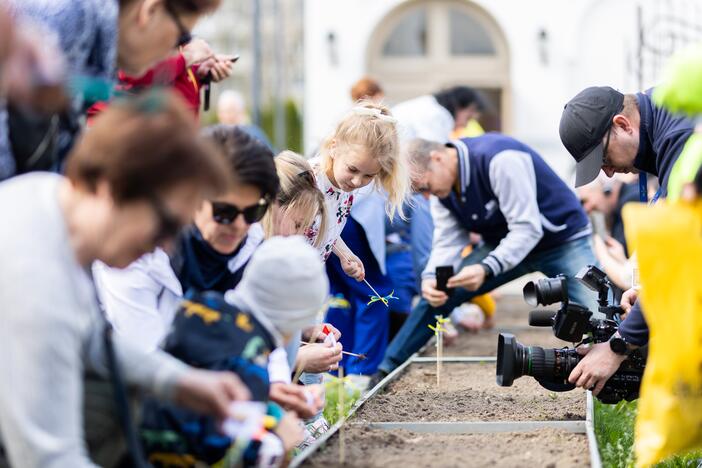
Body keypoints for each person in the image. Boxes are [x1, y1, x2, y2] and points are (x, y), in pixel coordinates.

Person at [0, 91, 251, 468]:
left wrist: (182, 382)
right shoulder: (36, 281)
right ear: (110, 186)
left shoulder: (45, 197)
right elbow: (47, 458)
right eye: (165, 225)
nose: (166, 246)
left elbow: (89, 339)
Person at [370, 135, 597, 382]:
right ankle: (386, 371)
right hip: (503, 242)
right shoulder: (442, 191)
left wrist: (486, 268)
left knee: (597, 311)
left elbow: (527, 228)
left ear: (437, 158)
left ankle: (616, 374)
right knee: (438, 294)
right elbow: (448, 239)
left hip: (562, 239)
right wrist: (431, 276)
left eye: (424, 187)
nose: (426, 195)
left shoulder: (499, 159)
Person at [141, 236, 328, 466]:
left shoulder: (200, 305)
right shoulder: (251, 365)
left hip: (137, 441)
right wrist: (281, 441)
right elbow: (240, 451)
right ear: (292, 321)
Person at [559, 86, 695, 395]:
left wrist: (618, 346)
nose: (607, 172)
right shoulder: (660, 121)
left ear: (622, 124)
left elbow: (680, 259)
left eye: (604, 157)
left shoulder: (682, 137)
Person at [93, 125, 278, 351]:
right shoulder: (138, 251)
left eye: (253, 212)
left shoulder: (255, 248)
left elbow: (264, 334)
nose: (239, 225)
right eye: (224, 212)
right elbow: (146, 356)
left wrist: (276, 381)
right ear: (193, 197)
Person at [1, 0, 222, 178]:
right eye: (181, 38)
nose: (174, 51)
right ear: (150, 10)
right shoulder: (70, 18)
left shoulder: (92, 38)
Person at [392, 85, 484, 143]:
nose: (465, 125)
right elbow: (434, 151)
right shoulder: (437, 114)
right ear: (459, 107)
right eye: (468, 118)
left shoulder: (428, 104)